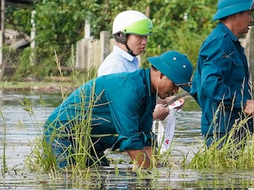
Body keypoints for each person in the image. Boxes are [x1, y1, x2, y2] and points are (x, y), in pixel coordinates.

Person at [44, 51, 194, 169]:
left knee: (98, 177)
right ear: (161, 74)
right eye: (175, 85)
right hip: (63, 133)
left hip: (90, 139)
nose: (175, 91)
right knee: (70, 180)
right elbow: (130, 140)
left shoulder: (148, 92)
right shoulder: (130, 89)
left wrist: (155, 167)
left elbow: (144, 137)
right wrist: (149, 171)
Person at [189, 0, 254, 145]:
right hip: (222, 131)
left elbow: (197, 85)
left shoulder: (229, 43)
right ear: (234, 15)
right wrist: (243, 103)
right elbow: (209, 84)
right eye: (248, 14)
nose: (251, 20)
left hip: (232, 127)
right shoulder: (219, 42)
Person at [98, 9, 171, 124]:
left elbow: (136, 100)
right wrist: (154, 115)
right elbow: (118, 115)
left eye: (146, 37)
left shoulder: (131, 62)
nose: (144, 42)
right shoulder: (115, 67)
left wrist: (166, 100)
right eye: (139, 37)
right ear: (121, 36)